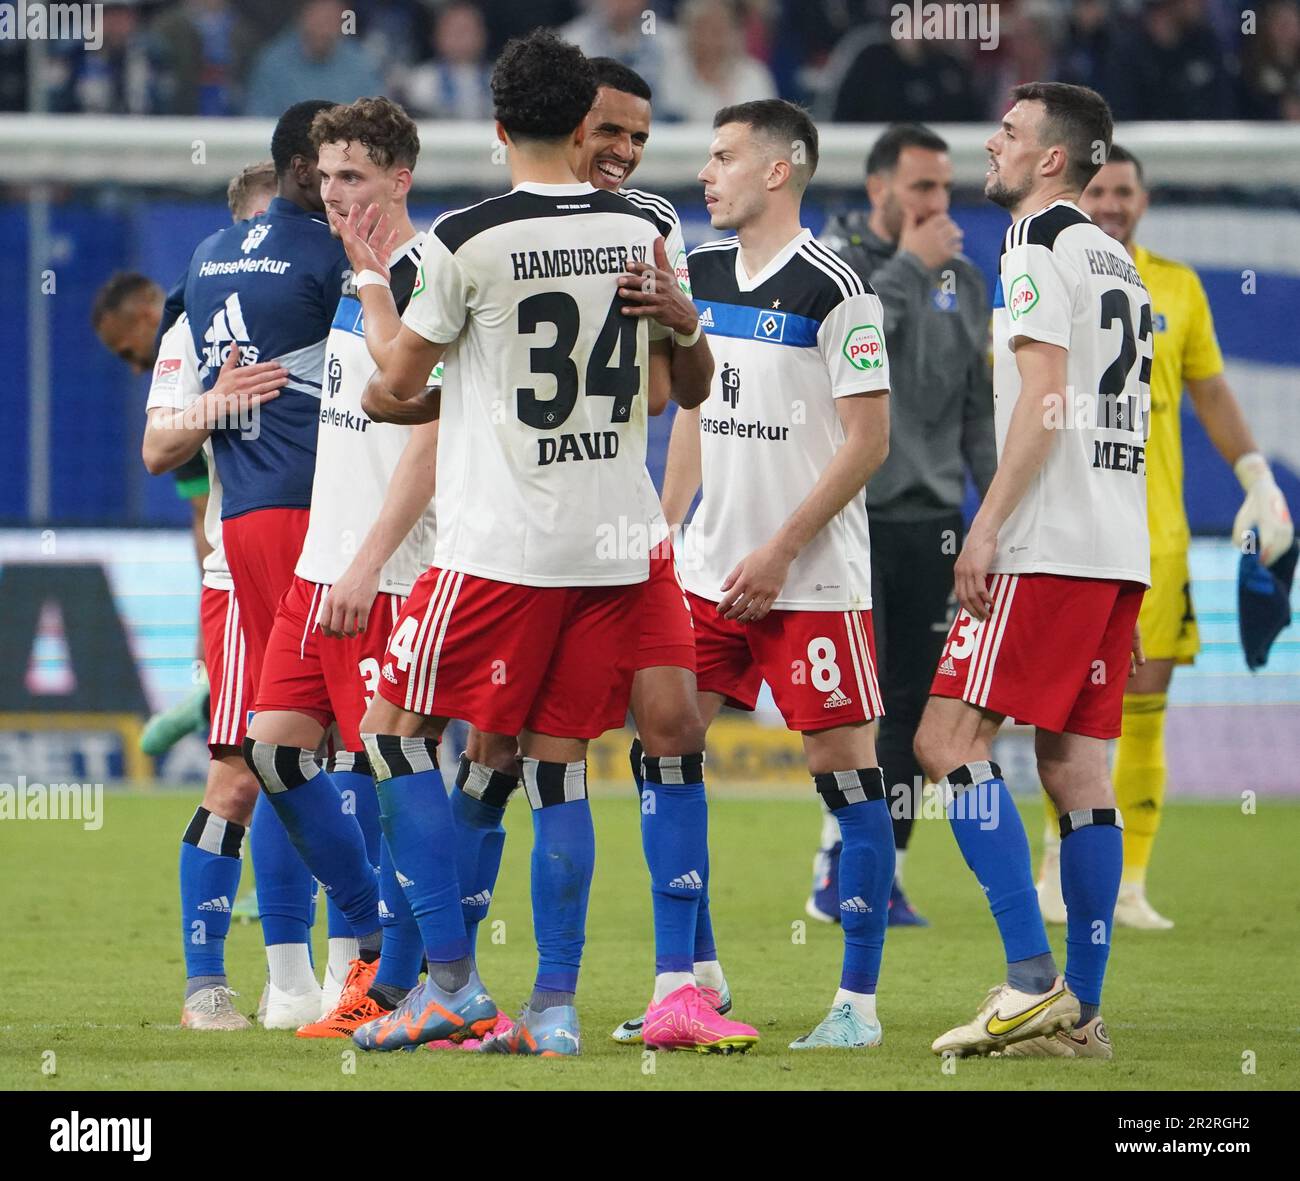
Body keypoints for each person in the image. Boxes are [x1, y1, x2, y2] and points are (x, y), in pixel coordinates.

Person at [339, 29, 702, 1057]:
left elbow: (397, 385)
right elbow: (676, 380)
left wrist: (374, 291)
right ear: (584, 121)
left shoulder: (467, 238)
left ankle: (449, 980)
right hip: (616, 542)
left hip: (505, 543)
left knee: (394, 729)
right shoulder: (641, 229)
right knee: (558, 764)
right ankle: (553, 1007)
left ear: (497, 126)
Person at [914, 82, 1150, 1060]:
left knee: (943, 739)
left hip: (1046, 543)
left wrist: (987, 526)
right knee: (1075, 766)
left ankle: (1026, 977)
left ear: (1050, 158)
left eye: (1008, 132)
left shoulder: (1034, 242)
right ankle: (1080, 1012)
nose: (992, 143)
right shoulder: (1116, 260)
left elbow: (1044, 397)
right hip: (1114, 546)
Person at [665, 98, 896, 1050]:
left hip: (809, 580)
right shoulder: (698, 271)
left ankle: (858, 1004)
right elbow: (688, 411)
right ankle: (695, 978)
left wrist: (781, 549)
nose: (706, 174)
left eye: (722, 157)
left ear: (778, 169)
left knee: (844, 774)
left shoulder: (838, 289)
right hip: (707, 568)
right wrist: (664, 527)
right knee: (665, 748)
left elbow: (869, 440)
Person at [1031, 144, 1296, 930]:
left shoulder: (1177, 286)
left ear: (1143, 200)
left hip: (1159, 537)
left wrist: (1257, 474)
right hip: (1073, 527)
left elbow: (1211, 392)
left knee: (1144, 707)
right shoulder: (1050, 272)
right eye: (1101, 189)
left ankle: (1131, 883)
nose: (1112, 203)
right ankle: (1059, 862)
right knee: (1066, 710)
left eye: (1125, 191)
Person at [142, 100, 354, 1031]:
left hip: (323, 539)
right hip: (248, 566)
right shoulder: (197, 310)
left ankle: (328, 976)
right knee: (247, 768)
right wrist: (216, 401)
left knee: (329, 758)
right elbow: (157, 447)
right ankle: (212, 984)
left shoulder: (314, 275)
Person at [236, 96, 445, 1039]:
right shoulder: (353, 277)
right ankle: (368, 932)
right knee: (276, 750)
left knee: (388, 770)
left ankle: (399, 981)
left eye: (352, 177)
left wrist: (367, 561)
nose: (332, 195)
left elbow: (427, 437)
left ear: (400, 179)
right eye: (323, 178)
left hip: (390, 569)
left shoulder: (428, 273)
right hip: (325, 561)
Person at [808, 122, 994, 929]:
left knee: (917, 708)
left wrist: (995, 511)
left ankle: (886, 875)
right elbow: (848, 360)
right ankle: (836, 866)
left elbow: (976, 410)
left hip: (932, 522)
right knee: (859, 704)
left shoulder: (967, 281)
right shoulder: (837, 266)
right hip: (850, 516)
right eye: (921, 187)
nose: (936, 203)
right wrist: (911, 271)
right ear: (879, 187)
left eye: (945, 189)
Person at [244, 0, 382, 117]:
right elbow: (257, 124)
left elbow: (375, 122)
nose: (324, 27)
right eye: (318, 15)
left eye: (331, 17)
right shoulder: (273, 64)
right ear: (302, 16)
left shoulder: (360, 63)